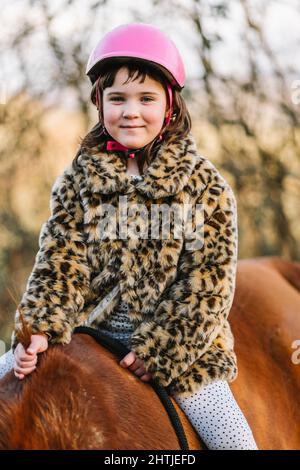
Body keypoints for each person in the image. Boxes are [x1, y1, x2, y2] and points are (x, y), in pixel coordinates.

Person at [1, 23, 258, 450]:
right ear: (99, 102)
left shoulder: (205, 187)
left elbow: (207, 284)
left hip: (183, 348)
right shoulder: (77, 182)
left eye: (146, 99)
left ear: (170, 105)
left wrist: (164, 348)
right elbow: (59, 264)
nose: (131, 111)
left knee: (235, 443)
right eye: (117, 99)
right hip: (91, 331)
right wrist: (42, 329)